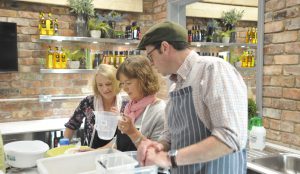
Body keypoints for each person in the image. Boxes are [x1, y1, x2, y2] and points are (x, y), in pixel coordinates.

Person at [136, 21, 248, 174]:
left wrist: (169, 159)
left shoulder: (212, 69)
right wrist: (159, 146)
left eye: (150, 56)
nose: (150, 63)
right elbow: (170, 134)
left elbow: (230, 137)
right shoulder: (176, 86)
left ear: (164, 47)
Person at [64, 64, 124, 148]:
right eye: (100, 85)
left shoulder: (125, 105)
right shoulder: (88, 102)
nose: (105, 89)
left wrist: (120, 119)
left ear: (116, 83)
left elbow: (125, 137)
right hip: (88, 154)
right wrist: (63, 148)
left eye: (108, 84)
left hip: (114, 155)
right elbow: (72, 125)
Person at [115, 56, 165, 152]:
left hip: (145, 167)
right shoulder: (128, 107)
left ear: (143, 80)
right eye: (122, 83)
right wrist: (95, 151)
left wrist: (133, 132)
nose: (124, 88)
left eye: (128, 83)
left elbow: (158, 152)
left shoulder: (160, 111)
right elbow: (119, 143)